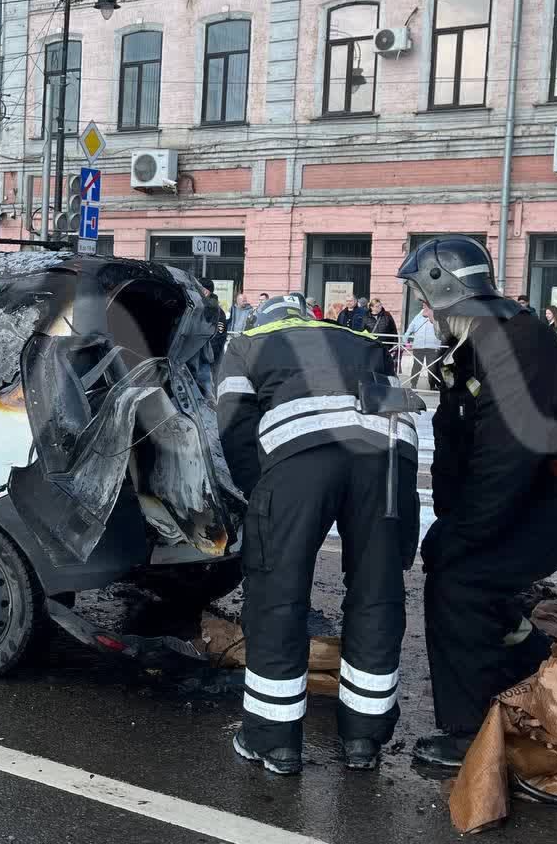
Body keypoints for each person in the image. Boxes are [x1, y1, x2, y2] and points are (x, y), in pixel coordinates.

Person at [397, 237, 557, 768]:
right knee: (467, 570)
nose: (423, 310)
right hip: (543, 484)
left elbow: (507, 459)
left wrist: (463, 534)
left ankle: (470, 735)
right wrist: (450, 519)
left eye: (424, 297)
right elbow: (457, 438)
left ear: (446, 290)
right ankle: (532, 676)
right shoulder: (472, 341)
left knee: (463, 581)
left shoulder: (513, 344)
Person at [217, 294, 419, 775]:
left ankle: (273, 741)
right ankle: (364, 740)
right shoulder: (359, 336)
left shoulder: (244, 344)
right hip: (388, 458)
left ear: (262, 318)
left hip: (302, 453)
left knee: (279, 593)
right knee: (377, 591)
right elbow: (391, 400)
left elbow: (234, 429)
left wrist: (261, 498)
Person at [403, 304, 442, 390]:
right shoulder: (418, 316)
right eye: (424, 305)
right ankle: (413, 384)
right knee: (417, 366)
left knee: (432, 367)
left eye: (426, 304)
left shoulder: (435, 315)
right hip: (419, 345)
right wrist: (405, 338)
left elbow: (440, 328)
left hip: (432, 346)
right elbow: (411, 327)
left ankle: (432, 385)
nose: (425, 306)